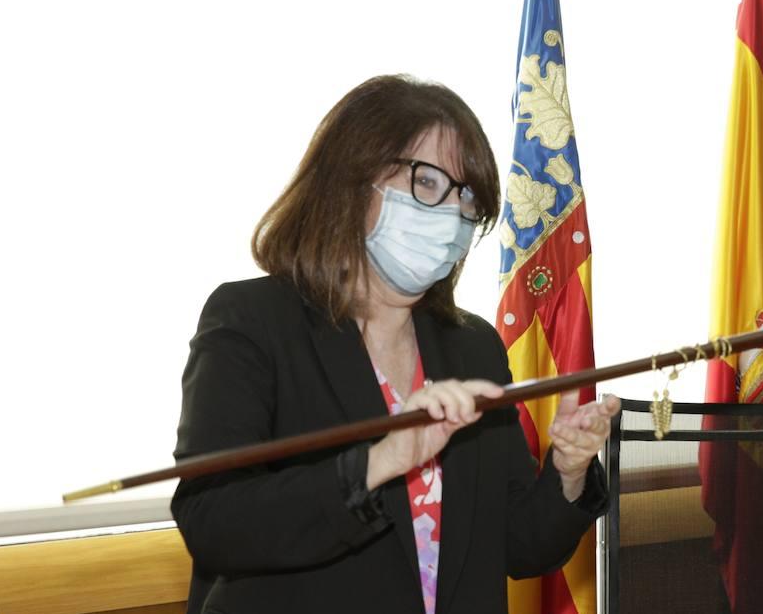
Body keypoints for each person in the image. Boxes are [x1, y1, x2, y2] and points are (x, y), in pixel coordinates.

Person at [171, 75, 619, 614]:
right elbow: (216, 524)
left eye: (467, 196)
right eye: (427, 182)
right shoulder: (253, 322)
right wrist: (381, 461)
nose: (451, 213)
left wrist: (567, 473)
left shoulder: (473, 347)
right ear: (353, 179)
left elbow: (520, 547)